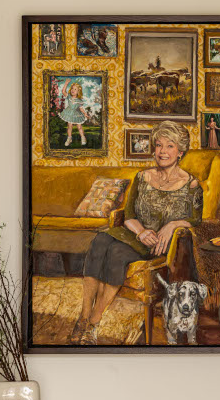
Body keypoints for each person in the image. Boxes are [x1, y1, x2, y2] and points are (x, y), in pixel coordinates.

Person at [71, 121, 203, 345]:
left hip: (161, 245)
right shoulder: (142, 178)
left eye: (169, 146)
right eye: (159, 145)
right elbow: (129, 215)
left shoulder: (191, 185)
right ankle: (83, 317)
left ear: (180, 151)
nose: (162, 151)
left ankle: (94, 320)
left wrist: (172, 225)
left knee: (116, 253)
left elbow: (196, 220)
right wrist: (141, 231)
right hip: (136, 235)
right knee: (100, 240)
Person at [59, 80, 88, 147]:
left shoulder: (79, 100)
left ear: (78, 92)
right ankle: (69, 138)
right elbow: (63, 92)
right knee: (69, 126)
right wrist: (66, 83)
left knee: (79, 127)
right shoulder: (69, 96)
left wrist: (85, 113)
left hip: (77, 114)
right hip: (69, 113)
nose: (73, 90)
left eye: (75, 89)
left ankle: (83, 137)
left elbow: (81, 108)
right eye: (72, 88)